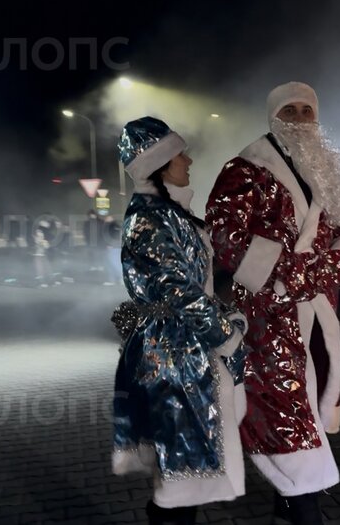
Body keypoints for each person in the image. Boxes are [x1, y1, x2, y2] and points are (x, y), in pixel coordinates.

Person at [206, 82, 340, 524]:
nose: (299, 119)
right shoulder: (246, 168)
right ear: (273, 117)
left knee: (307, 408)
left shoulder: (326, 167)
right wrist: (290, 273)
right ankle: (303, 508)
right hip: (267, 318)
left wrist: (334, 263)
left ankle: (290, 506)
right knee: (285, 415)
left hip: (317, 312)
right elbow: (223, 235)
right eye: (288, 111)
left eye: (306, 110)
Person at [113, 116, 249, 525]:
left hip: (184, 348)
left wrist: (226, 316)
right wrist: (227, 336)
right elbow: (180, 292)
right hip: (174, 357)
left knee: (184, 473)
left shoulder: (169, 212)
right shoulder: (151, 219)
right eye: (180, 155)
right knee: (179, 473)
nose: (188, 161)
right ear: (158, 164)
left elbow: (195, 286)